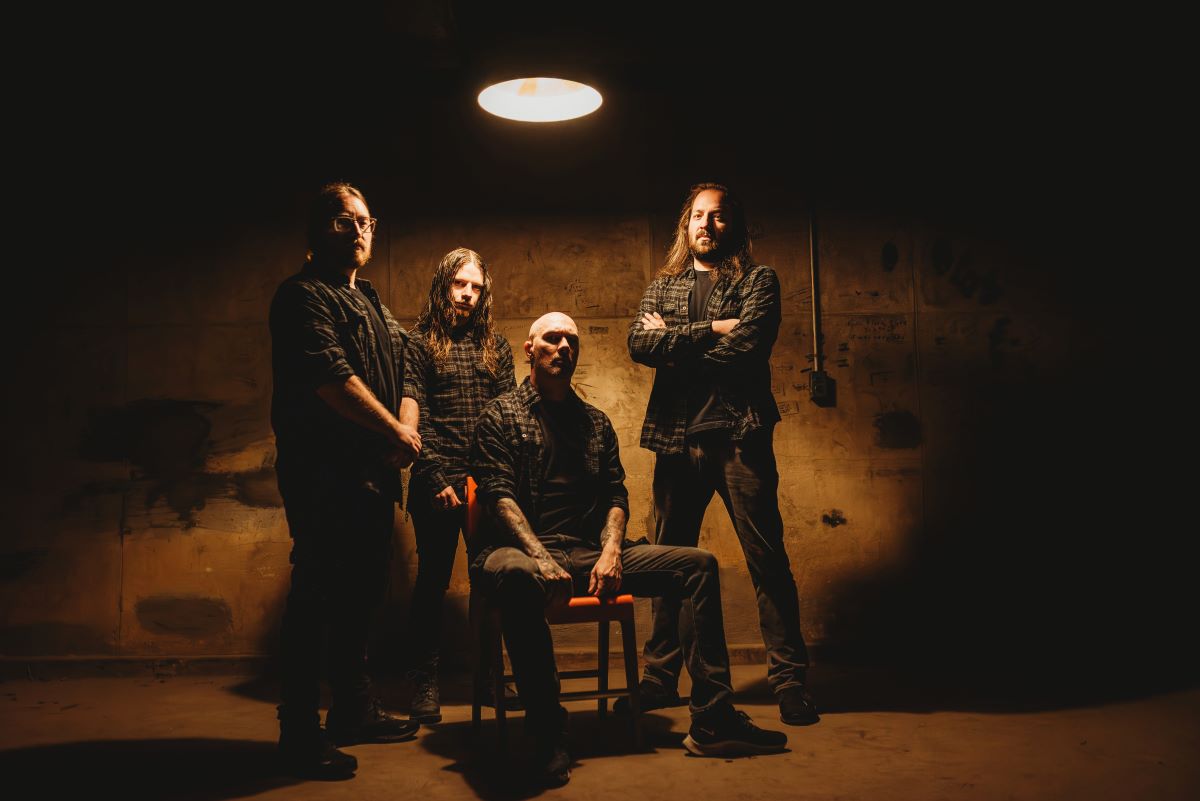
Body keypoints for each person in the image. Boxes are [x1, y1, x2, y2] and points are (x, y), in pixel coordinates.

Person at [470, 311, 787, 787]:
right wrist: (541, 558)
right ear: (529, 349)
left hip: (586, 551)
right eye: (553, 339)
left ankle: (714, 719)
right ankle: (547, 731)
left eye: (572, 341)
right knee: (518, 577)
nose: (564, 348)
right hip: (517, 552)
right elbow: (498, 497)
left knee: (698, 565)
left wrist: (612, 550)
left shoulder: (594, 423)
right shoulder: (500, 415)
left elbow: (616, 496)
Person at [626, 183, 819, 726]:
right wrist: (711, 329)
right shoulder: (663, 286)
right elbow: (639, 345)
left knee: (767, 562)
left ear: (734, 225)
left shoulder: (758, 281)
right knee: (667, 565)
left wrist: (676, 347)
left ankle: (789, 681)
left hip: (740, 438)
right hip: (676, 441)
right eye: (698, 215)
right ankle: (660, 677)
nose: (706, 225)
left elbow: (748, 347)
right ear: (685, 225)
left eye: (718, 216)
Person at [269, 182, 421, 778]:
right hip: (324, 476)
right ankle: (299, 733)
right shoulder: (302, 297)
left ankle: (353, 709)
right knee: (317, 597)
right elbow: (332, 380)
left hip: (374, 476)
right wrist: (395, 432)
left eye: (364, 221)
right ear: (316, 230)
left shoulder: (373, 300)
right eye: (343, 220)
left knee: (361, 596)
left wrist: (405, 433)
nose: (357, 230)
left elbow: (409, 367)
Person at [399, 247, 516, 723]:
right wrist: (434, 476)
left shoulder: (497, 346)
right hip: (437, 483)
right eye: (459, 284)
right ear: (443, 284)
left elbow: (509, 415)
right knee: (432, 583)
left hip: (486, 482)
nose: (467, 294)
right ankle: (424, 679)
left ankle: (490, 676)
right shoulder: (419, 343)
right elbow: (415, 415)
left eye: (475, 287)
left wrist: (497, 482)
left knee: (493, 582)